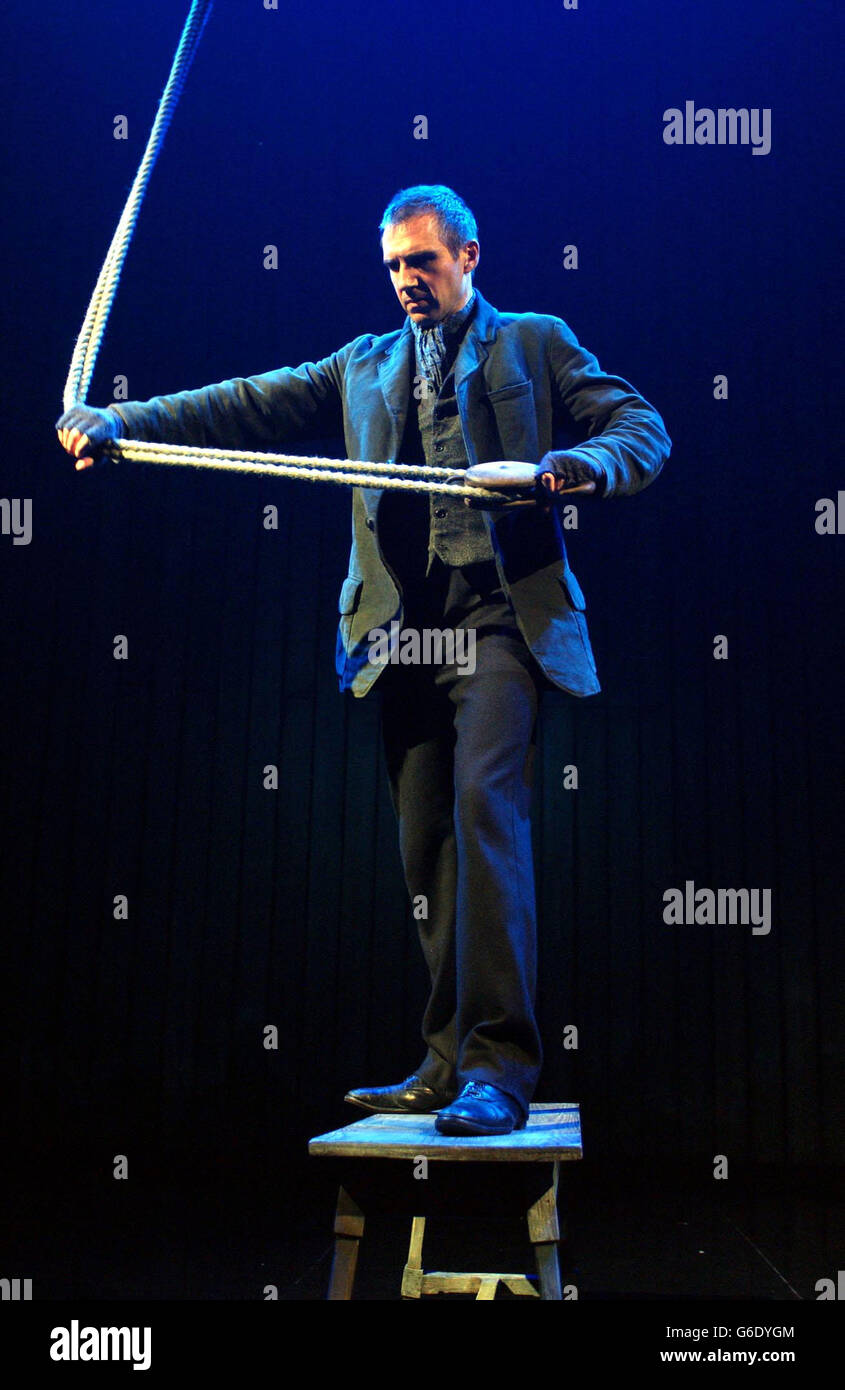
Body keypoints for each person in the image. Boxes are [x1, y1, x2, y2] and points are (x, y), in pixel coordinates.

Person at [57, 184, 671, 1136]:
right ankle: (443, 1062)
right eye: (392, 266)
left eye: (421, 261)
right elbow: (246, 404)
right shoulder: (364, 364)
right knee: (424, 836)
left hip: (499, 621)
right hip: (401, 635)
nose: (405, 281)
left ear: (469, 255)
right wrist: (123, 421)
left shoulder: (534, 341)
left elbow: (641, 431)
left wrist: (557, 472)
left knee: (482, 811)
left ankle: (499, 1069)